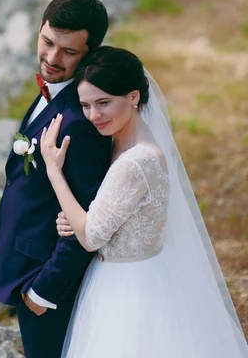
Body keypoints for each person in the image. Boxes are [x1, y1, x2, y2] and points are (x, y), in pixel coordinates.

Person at [41, 46, 248, 358]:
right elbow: (106, 218)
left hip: (133, 288)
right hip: (123, 276)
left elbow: (90, 237)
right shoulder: (120, 145)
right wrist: (76, 217)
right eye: (85, 105)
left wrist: (54, 170)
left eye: (104, 103)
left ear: (134, 97)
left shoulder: (137, 160)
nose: (93, 115)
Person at [0, 0, 113, 358]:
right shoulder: (53, 91)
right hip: (25, 264)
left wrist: (43, 291)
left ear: (89, 53)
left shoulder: (82, 121)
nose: (52, 58)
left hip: (46, 281)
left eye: (69, 52)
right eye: (47, 42)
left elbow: (87, 218)